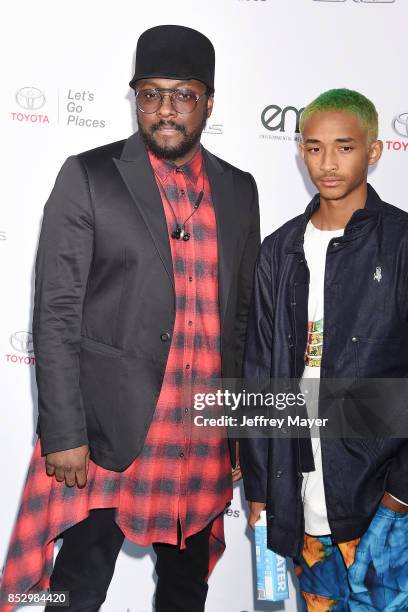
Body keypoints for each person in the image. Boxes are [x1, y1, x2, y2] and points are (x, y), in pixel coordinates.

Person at [0, 25, 260, 612]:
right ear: (136, 98)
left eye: (184, 94)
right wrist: (64, 434)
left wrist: (240, 433)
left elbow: (241, 320)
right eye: (151, 94)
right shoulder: (89, 176)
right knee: (80, 584)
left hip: (201, 436)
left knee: (186, 590)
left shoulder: (239, 191)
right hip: (108, 436)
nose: (166, 109)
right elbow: (57, 311)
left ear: (209, 102)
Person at [240, 88, 408, 610]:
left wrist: (403, 496)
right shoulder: (278, 250)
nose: (326, 163)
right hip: (300, 504)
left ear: (373, 150)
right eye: (314, 147)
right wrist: (261, 486)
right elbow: (261, 375)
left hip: (381, 504)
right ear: (300, 150)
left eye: (344, 147)